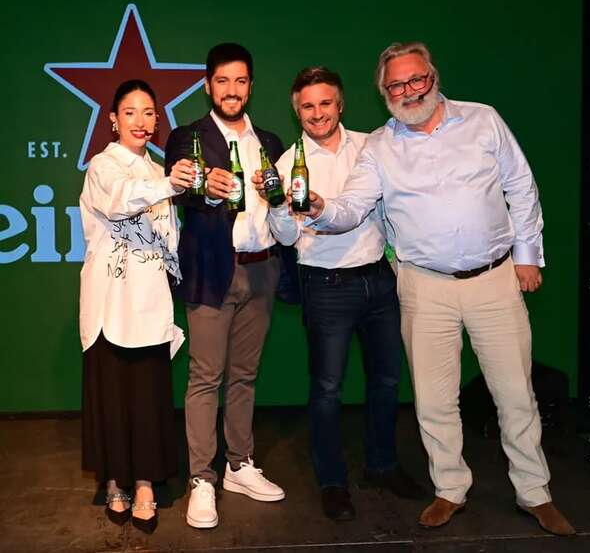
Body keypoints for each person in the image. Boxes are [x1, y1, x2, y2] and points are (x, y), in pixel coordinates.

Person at [302, 42, 576, 536]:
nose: (408, 91)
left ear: (433, 76)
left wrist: (527, 255)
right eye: (395, 85)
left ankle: (535, 493)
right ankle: (450, 488)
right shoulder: (379, 147)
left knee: (516, 394)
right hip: (423, 287)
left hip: (495, 279)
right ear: (383, 93)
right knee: (433, 401)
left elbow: (521, 185)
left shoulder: (483, 120)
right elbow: (352, 207)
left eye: (416, 79)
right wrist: (320, 208)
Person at [253, 67, 424, 521]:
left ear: (340, 104)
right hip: (325, 285)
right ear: (297, 112)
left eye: (325, 103)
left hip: (379, 279)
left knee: (387, 380)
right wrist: (278, 204)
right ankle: (332, 482)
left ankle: (383, 466)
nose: (317, 113)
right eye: (307, 106)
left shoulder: (372, 146)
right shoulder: (286, 166)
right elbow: (286, 237)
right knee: (327, 390)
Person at [164, 43, 286, 530]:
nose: (231, 90)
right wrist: (204, 189)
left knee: (244, 375)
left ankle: (239, 465)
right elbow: (181, 189)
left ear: (250, 86)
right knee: (205, 377)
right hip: (213, 271)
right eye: (222, 81)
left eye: (240, 81)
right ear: (207, 86)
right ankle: (202, 478)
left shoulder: (272, 142)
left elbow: (283, 206)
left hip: (263, 269)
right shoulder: (187, 137)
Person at [79, 79, 194, 534]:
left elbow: (169, 240)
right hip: (110, 305)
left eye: (149, 113)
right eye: (130, 112)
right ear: (113, 119)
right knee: (111, 398)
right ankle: (115, 483)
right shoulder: (103, 166)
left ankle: (145, 484)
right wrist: (167, 185)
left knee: (148, 398)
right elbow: (119, 202)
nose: (141, 122)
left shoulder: (160, 172)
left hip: (149, 304)